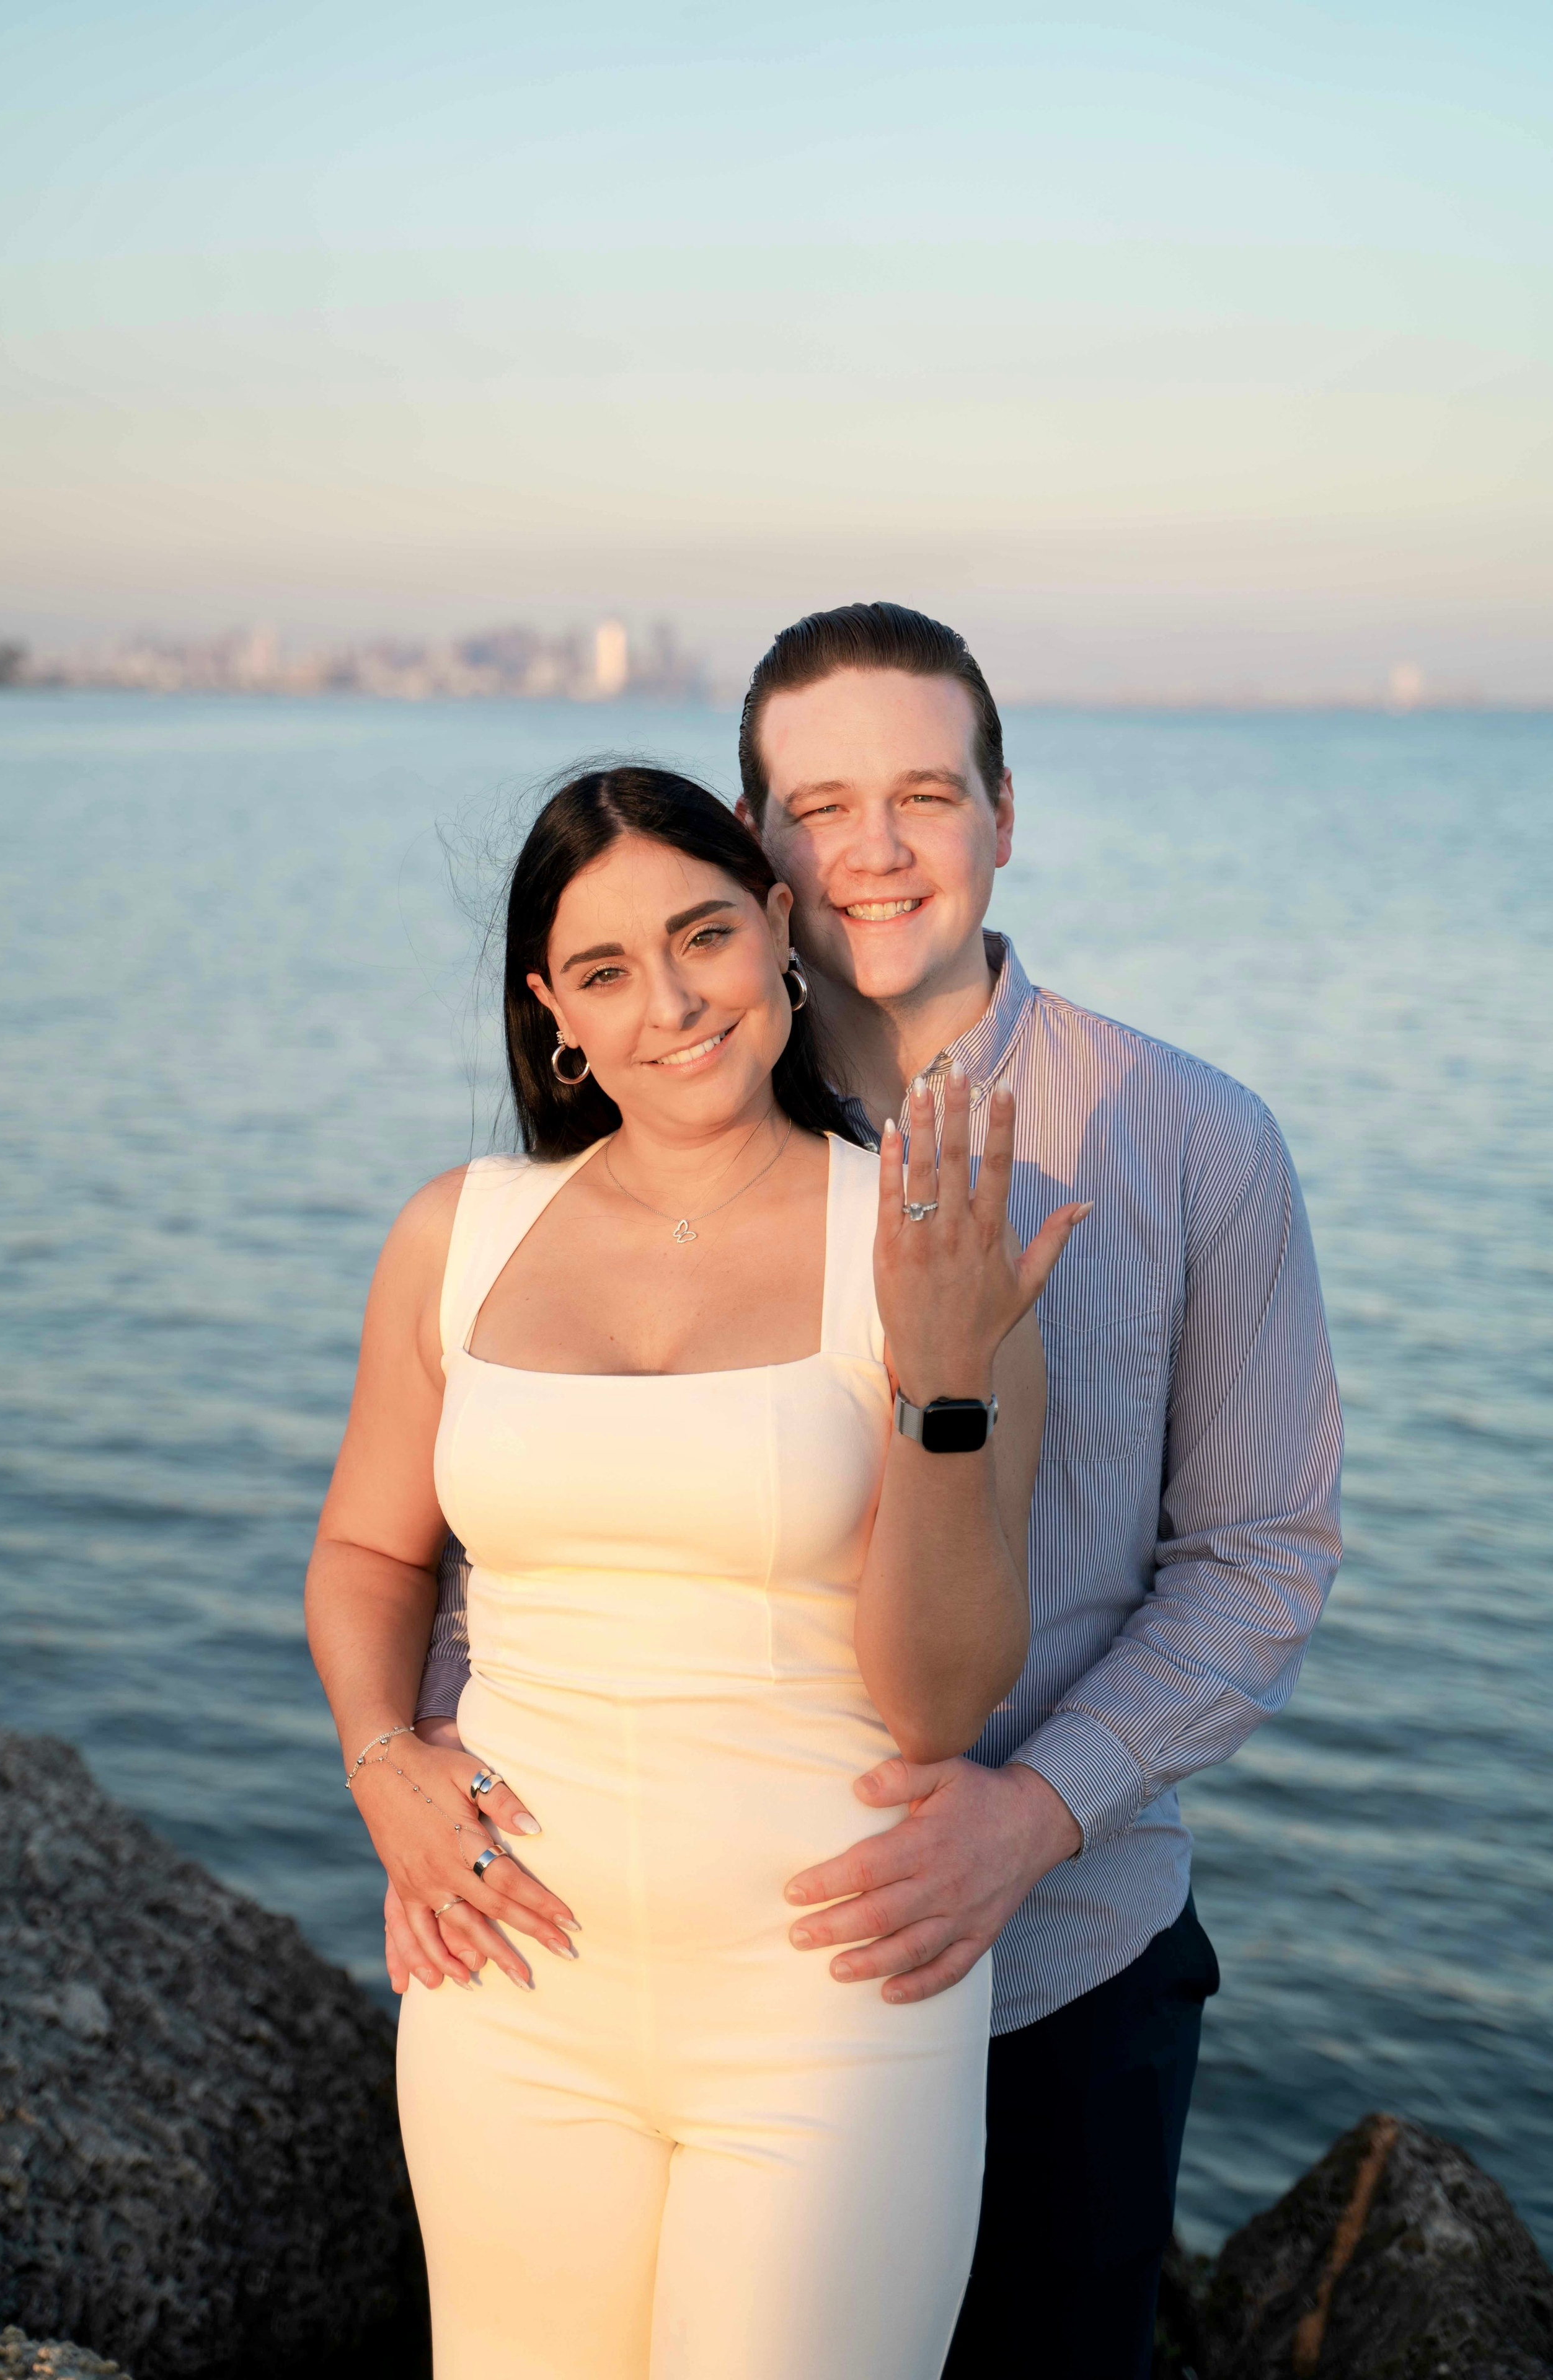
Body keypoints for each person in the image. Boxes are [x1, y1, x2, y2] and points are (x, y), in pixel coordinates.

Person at [395, 606, 1344, 2380]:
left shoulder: (1195, 1135)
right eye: (822, 806)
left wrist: (1033, 1811)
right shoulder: (681, 1105)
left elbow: (1262, 1553)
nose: (880, 850)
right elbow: (526, 1521)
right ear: (759, 849)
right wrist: (430, 1776)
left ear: (1004, 809)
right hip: (660, 1960)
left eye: (925, 791)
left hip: (1061, 1962)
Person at [307, 763, 1086, 2380]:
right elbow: (370, 1550)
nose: (671, 1004)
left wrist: (944, 1381)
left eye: (704, 937)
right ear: (554, 1014)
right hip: (509, 1986)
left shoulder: (926, 1242)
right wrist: (382, 1758)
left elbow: (940, 1701)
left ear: (781, 936)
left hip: (827, 2003)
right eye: (604, 972)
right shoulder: (457, 1235)